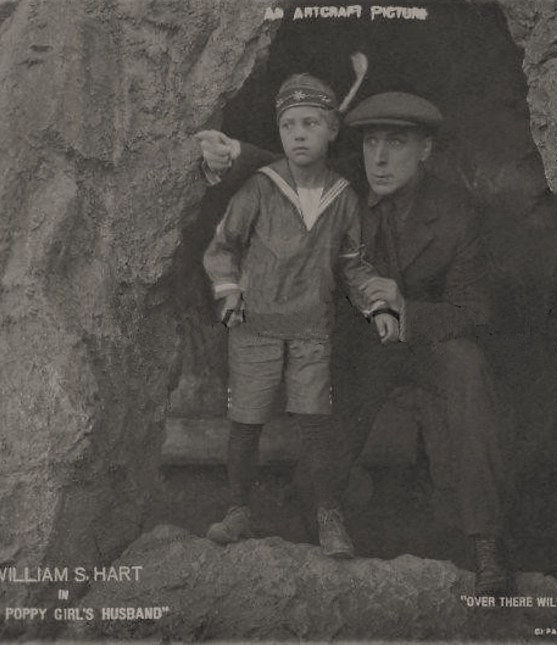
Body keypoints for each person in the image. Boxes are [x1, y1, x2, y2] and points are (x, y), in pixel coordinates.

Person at [197, 91, 514, 595]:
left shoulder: (457, 213)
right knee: (315, 485)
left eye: (396, 143)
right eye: (370, 142)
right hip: (362, 351)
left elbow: (475, 311)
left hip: (427, 344)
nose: (379, 158)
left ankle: (487, 547)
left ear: (426, 149)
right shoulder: (345, 185)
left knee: (467, 367)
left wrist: (407, 310)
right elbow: (292, 167)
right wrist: (234, 153)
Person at [202, 74, 401, 560]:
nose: (298, 134)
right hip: (255, 328)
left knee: (316, 425)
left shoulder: (344, 196)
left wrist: (378, 304)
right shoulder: (260, 186)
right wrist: (229, 293)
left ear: (332, 130)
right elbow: (223, 246)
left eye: (311, 123)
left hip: (312, 331)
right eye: (288, 124)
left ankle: (328, 515)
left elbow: (353, 264)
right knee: (246, 422)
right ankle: (238, 510)